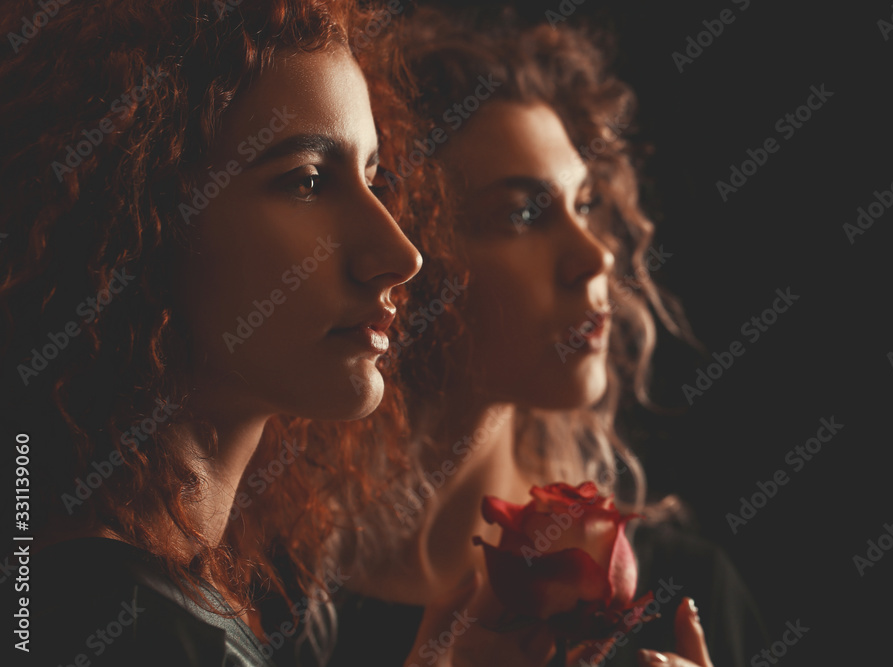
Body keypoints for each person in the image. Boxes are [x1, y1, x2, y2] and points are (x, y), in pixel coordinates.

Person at [325, 7, 768, 667]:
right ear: (400, 252)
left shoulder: (682, 591)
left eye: (584, 203)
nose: (595, 257)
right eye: (523, 213)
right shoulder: (266, 601)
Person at [0, 0, 424, 664]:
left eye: (373, 178)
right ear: (139, 219)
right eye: (308, 180)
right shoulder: (120, 627)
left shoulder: (136, 594)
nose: (400, 252)